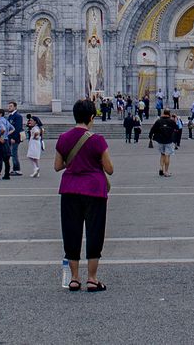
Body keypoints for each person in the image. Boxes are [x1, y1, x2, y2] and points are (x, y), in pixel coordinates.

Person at [55, 97, 114, 292]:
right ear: (91, 117)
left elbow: (57, 166)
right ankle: (92, 278)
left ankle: (73, 278)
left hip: (70, 189)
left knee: (71, 231)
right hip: (94, 190)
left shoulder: (63, 138)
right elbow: (110, 169)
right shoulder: (97, 140)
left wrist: (73, 163)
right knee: (94, 232)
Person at [148, 109, 180, 177]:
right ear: (169, 114)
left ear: (163, 113)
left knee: (162, 154)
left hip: (160, 140)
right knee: (167, 155)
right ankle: (166, 171)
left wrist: (150, 137)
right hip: (168, 140)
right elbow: (177, 128)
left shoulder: (159, 121)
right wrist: (175, 120)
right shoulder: (171, 121)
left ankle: (161, 169)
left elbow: (152, 129)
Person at [0, 109, 16, 180]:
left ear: (0, 114)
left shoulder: (0, 121)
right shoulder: (6, 121)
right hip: (6, 141)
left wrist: (0, 136)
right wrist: (6, 135)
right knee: (6, 159)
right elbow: (13, 128)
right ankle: (7, 174)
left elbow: (3, 129)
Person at [6, 102, 26, 176]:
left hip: (15, 138)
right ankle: (14, 169)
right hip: (10, 138)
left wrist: (14, 138)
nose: (9, 107)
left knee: (14, 153)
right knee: (12, 153)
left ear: (15, 107)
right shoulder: (10, 116)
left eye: (11, 106)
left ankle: (17, 169)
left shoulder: (18, 116)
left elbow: (17, 128)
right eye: (9, 106)